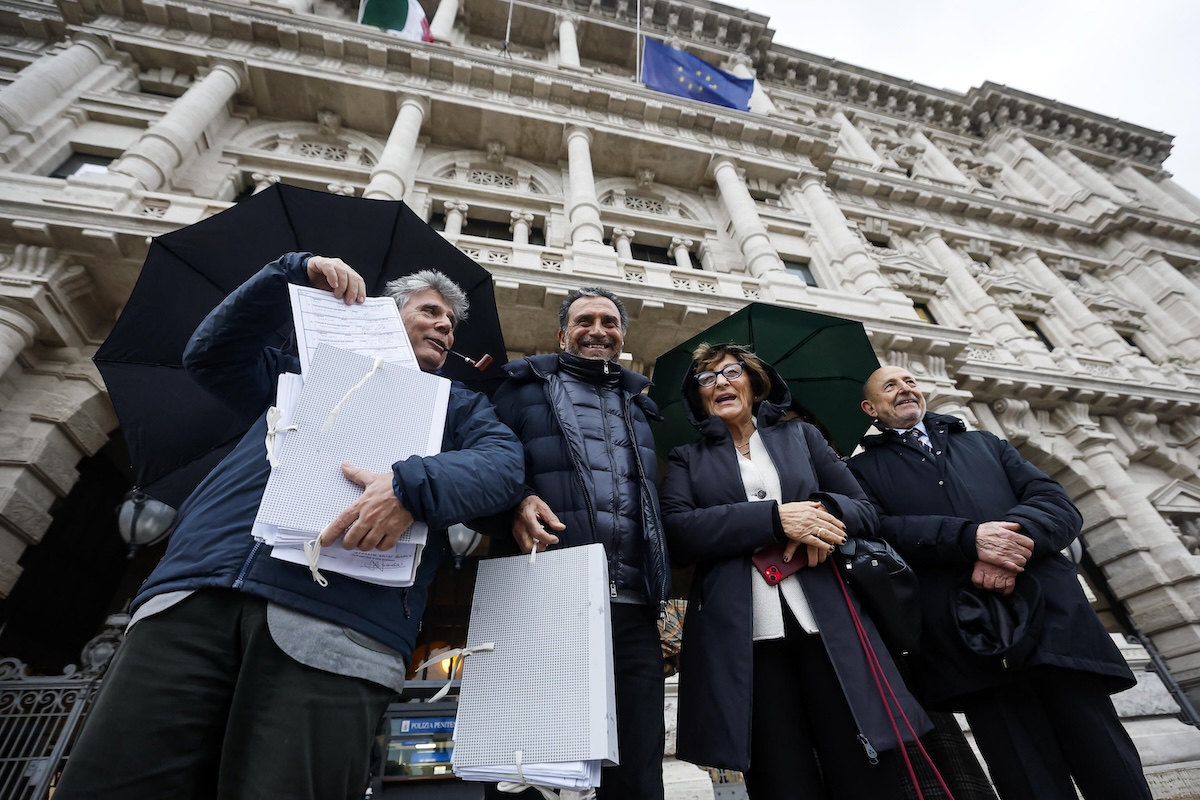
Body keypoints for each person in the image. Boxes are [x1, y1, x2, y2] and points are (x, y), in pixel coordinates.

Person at [56, 253, 525, 800]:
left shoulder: (459, 406)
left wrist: (408, 488)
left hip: (339, 624)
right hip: (197, 596)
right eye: (430, 311)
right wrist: (288, 272)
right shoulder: (293, 371)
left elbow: (503, 467)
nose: (445, 325)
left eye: (451, 322)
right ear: (384, 314)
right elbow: (211, 354)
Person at [847, 365, 1152, 800]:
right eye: (890, 387)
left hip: (1052, 624)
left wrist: (1007, 545)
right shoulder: (860, 471)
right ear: (870, 408)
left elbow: (1057, 504)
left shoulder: (986, 443)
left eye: (910, 381)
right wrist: (968, 540)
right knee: (1025, 776)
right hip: (967, 639)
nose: (905, 390)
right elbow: (880, 532)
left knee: (1109, 762)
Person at [659, 343, 929, 800]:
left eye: (731, 372)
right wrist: (774, 519)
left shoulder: (801, 436)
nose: (721, 382)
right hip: (744, 640)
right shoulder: (688, 459)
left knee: (859, 764)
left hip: (828, 625)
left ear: (755, 383)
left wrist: (819, 516)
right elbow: (678, 533)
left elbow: (865, 510)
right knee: (782, 774)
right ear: (699, 397)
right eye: (707, 379)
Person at [480, 287, 670, 799]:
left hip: (632, 608)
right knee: (528, 767)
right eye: (585, 320)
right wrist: (516, 501)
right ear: (563, 334)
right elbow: (481, 465)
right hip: (546, 599)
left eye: (609, 322)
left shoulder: (644, 407)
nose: (599, 329)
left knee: (636, 767)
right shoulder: (522, 389)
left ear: (622, 337)